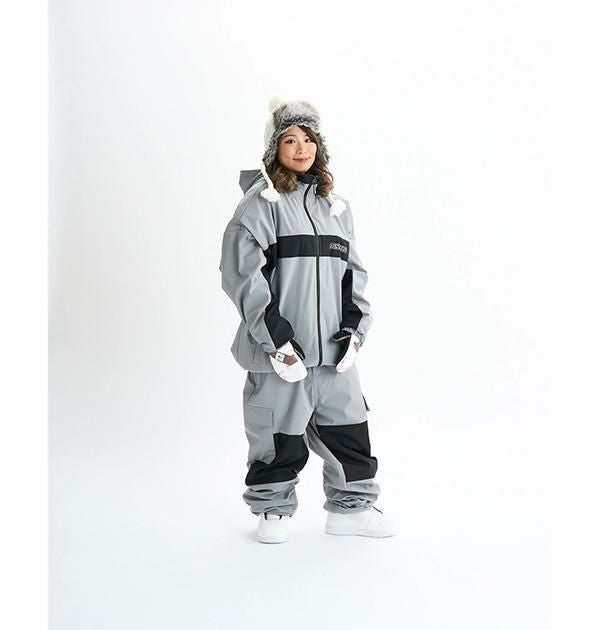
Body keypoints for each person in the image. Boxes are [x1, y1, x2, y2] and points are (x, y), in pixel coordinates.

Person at [219, 97, 396, 543]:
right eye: (290, 140)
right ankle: (272, 511)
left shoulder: (335, 208)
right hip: (281, 355)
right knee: (277, 437)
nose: (302, 149)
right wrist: (277, 342)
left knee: (350, 433)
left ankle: (352, 510)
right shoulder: (260, 206)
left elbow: (353, 276)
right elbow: (243, 279)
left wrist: (355, 332)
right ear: (273, 148)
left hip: (334, 357)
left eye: (309, 139)